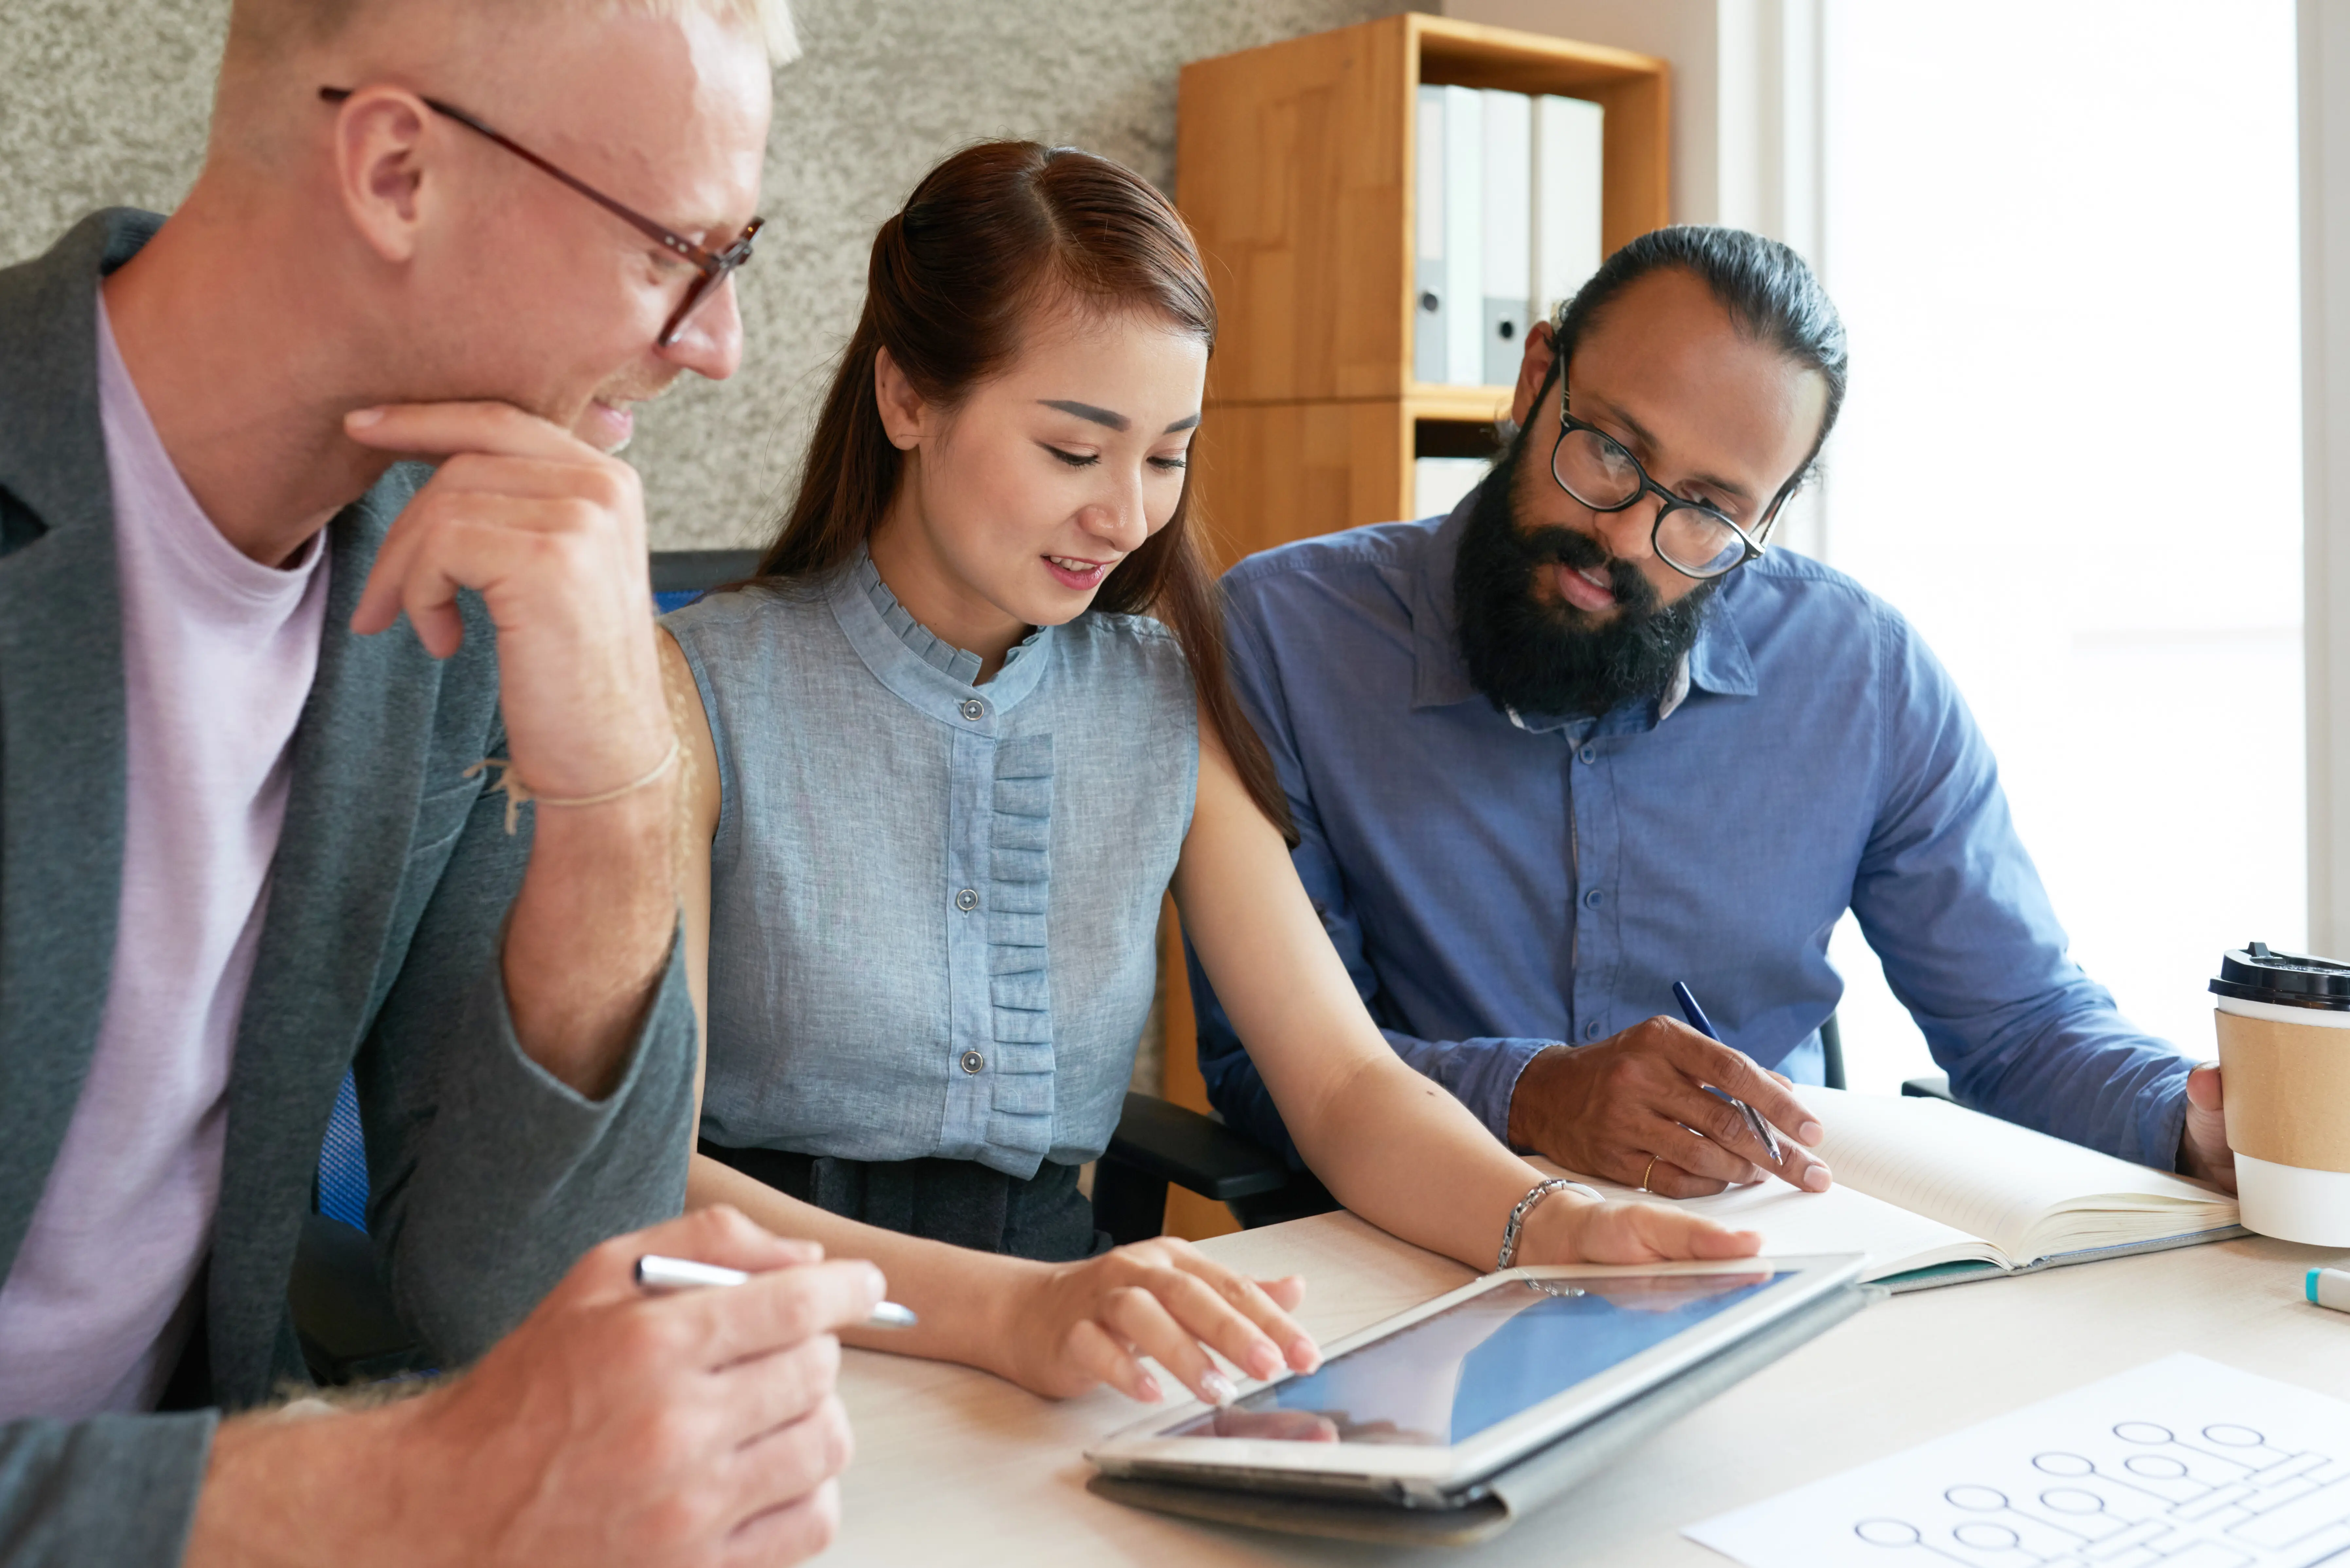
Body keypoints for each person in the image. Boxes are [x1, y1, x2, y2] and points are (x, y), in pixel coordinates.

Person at [661, 140, 1763, 1413]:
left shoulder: (1153, 688)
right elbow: (640, 1173)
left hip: (1051, 1355)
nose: (1126, 515)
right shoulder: (698, 685)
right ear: (908, 399)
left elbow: (1343, 1082)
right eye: (1076, 452)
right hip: (760, 1335)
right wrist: (1013, 1311)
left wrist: (1550, 1224)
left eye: (1167, 455)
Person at [0, 1, 876, 1563]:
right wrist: (387, 1488)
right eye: (684, 246)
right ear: (398, 169)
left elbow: (515, 1289)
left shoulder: (465, 578)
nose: (719, 345)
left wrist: (613, 792)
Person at [1188, 225, 2236, 1203]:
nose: (1633, 538)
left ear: (1766, 514)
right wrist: (1539, 1095)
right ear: (1534, 375)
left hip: (1763, 1255)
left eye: (1708, 509)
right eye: (1608, 451)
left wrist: (2199, 1127)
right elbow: (1271, 1065)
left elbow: (2019, 1028)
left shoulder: (1858, 674)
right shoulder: (1282, 638)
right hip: (1427, 1232)